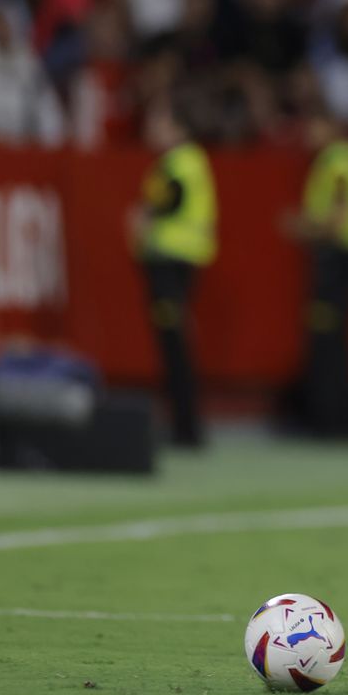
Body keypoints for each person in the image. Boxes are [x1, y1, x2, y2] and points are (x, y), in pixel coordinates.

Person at [284, 112, 348, 436]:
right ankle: (332, 414)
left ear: (329, 125)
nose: (307, 132)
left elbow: (338, 216)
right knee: (334, 334)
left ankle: (327, 417)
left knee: (327, 334)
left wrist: (302, 227)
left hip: (340, 255)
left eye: (312, 124)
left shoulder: (336, 160)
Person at [128, 98, 216, 448]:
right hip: (174, 259)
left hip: (172, 259)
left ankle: (186, 427)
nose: (152, 129)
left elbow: (168, 201)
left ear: (179, 128)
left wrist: (142, 216)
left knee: (174, 342)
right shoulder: (182, 162)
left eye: (160, 122)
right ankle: (184, 424)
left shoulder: (182, 162)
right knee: (173, 342)